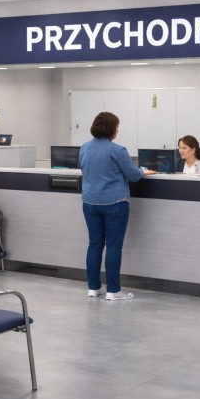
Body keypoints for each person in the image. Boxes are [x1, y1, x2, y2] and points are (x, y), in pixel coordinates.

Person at [80, 111, 156, 301]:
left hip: (90, 203)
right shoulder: (118, 150)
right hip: (114, 203)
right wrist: (142, 170)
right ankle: (113, 290)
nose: (118, 130)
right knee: (113, 247)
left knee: (94, 244)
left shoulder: (84, 148)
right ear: (111, 128)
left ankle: (93, 288)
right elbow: (133, 175)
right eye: (117, 126)